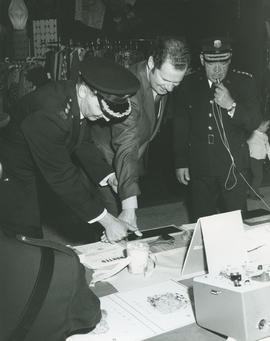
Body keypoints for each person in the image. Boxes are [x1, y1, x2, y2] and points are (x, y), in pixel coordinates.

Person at [0, 56, 140, 242]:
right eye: (103, 110)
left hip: (38, 161)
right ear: (83, 91)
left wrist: (108, 175)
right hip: (13, 168)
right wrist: (107, 221)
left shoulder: (74, 98)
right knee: (25, 236)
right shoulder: (50, 113)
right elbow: (62, 177)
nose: (106, 119)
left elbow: (81, 142)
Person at [91, 36, 191, 229]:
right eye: (166, 80)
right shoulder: (129, 89)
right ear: (152, 62)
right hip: (102, 165)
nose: (170, 88)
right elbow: (126, 145)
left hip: (125, 167)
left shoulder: (160, 81)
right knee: (111, 229)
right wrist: (129, 206)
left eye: (176, 83)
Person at [173, 37, 261, 221]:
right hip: (200, 164)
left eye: (223, 62)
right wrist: (181, 161)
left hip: (233, 166)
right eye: (212, 63)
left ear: (230, 60)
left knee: (236, 221)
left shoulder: (245, 82)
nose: (218, 69)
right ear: (202, 60)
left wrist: (232, 105)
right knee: (202, 219)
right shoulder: (187, 84)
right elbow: (181, 126)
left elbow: (253, 121)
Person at [247, 119, 270, 199]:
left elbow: (268, 148)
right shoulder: (252, 134)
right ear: (260, 126)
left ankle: (254, 192)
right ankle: (253, 194)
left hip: (261, 159)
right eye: (267, 126)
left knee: (258, 177)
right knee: (258, 177)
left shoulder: (265, 136)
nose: (268, 128)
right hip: (253, 159)